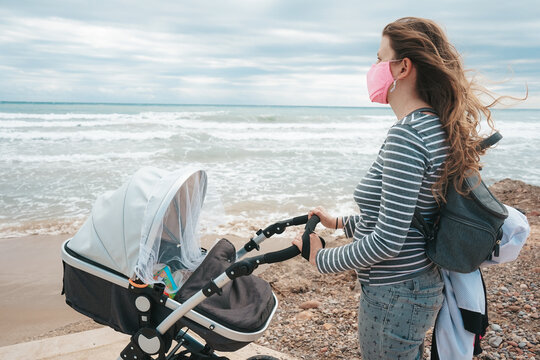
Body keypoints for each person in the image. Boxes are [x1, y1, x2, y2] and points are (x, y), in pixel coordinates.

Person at [292, 17, 504, 360]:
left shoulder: (407, 135)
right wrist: (340, 224)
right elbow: (412, 214)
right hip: (415, 285)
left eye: (380, 58)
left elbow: (389, 240)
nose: (374, 67)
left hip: (395, 292)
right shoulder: (435, 125)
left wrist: (320, 258)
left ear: (403, 67)